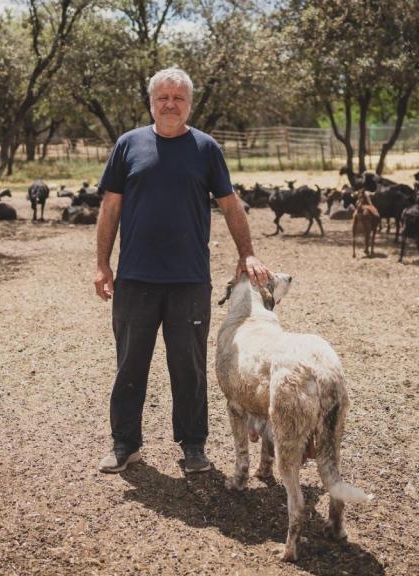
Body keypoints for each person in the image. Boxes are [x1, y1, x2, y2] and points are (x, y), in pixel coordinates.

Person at [93, 67, 269, 474]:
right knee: (129, 364)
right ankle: (125, 444)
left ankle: (193, 445)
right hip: (135, 277)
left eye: (178, 98)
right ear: (151, 102)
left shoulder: (206, 149)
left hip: (189, 279)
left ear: (189, 104)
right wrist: (103, 264)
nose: (170, 104)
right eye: (163, 97)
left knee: (188, 366)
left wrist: (247, 253)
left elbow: (230, 204)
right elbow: (111, 207)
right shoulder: (127, 145)